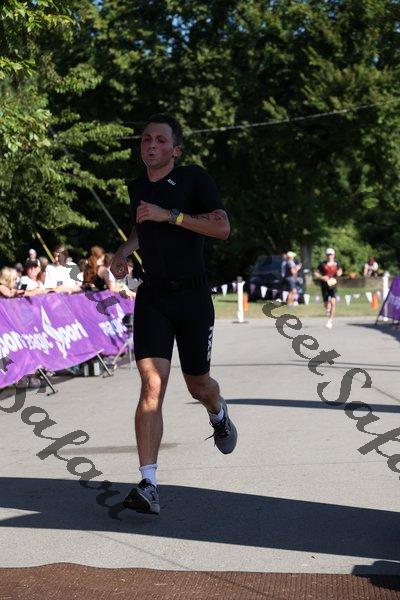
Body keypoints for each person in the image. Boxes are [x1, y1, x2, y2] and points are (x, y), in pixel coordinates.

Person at [110, 113, 237, 515]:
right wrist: (122, 253)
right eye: (145, 139)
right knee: (151, 384)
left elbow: (222, 228)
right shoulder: (136, 187)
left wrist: (172, 215)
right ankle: (148, 483)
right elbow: (142, 228)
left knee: (199, 385)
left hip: (193, 297)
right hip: (153, 297)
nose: (150, 145)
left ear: (176, 149)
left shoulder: (194, 179)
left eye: (160, 140)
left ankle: (218, 412)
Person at [314, 248, 343, 329]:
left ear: (334, 255)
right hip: (324, 285)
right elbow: (316, 273)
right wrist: (322, 277)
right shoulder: (322, 264)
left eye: (331, 254)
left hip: (333, 284)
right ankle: (328, 309)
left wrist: (339, 273)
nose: (330, 256)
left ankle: (330, 320)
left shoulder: (337, 263)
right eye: (328, 255)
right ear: (326, 255)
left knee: (333, 302)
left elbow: (340, 271)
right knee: (326, 304)